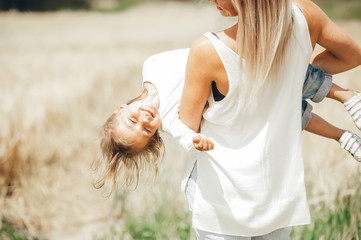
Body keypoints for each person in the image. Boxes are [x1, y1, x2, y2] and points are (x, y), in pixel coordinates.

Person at [178, 0, 361, 239]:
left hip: (222, 201)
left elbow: (188, 127)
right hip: (278, 196)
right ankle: (346, 103)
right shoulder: (307, 15)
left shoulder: (208, 49)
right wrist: (299, 73)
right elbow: (352, 55)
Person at [92, 48, 361, 198]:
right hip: (240, 94)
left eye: (133, 119)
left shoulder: (150, 65)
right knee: (292, 114)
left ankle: (347, 97)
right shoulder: (173, 120)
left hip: (235, 62)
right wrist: (196, 140)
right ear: (154, 137)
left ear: (121, 108)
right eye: (146, 131)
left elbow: (194, 53)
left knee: (297, 77)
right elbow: (185, 135)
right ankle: (342, 136)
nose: (144, 121)